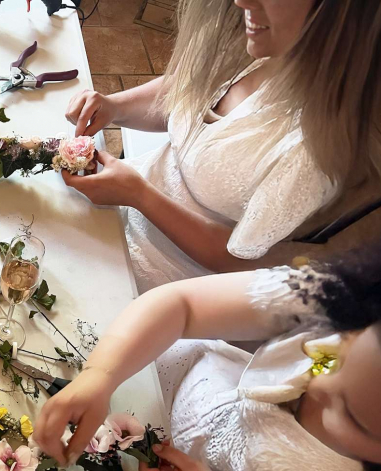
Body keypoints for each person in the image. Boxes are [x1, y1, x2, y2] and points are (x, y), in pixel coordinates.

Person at [32, 247, 381, 471]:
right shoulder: (345, 299)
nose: (317, 386)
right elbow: (183, 305)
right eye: (334, 361)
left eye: (351, 415)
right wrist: (101, 377)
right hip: (177, 380)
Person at [62, 0, 381, 293]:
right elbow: (184, 94)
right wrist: (114, 107)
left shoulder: (313, 152)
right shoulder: (247, 37)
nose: (241, 1)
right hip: (121, 207)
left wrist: (139, 195)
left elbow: (238, 261)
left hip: (163, 281)